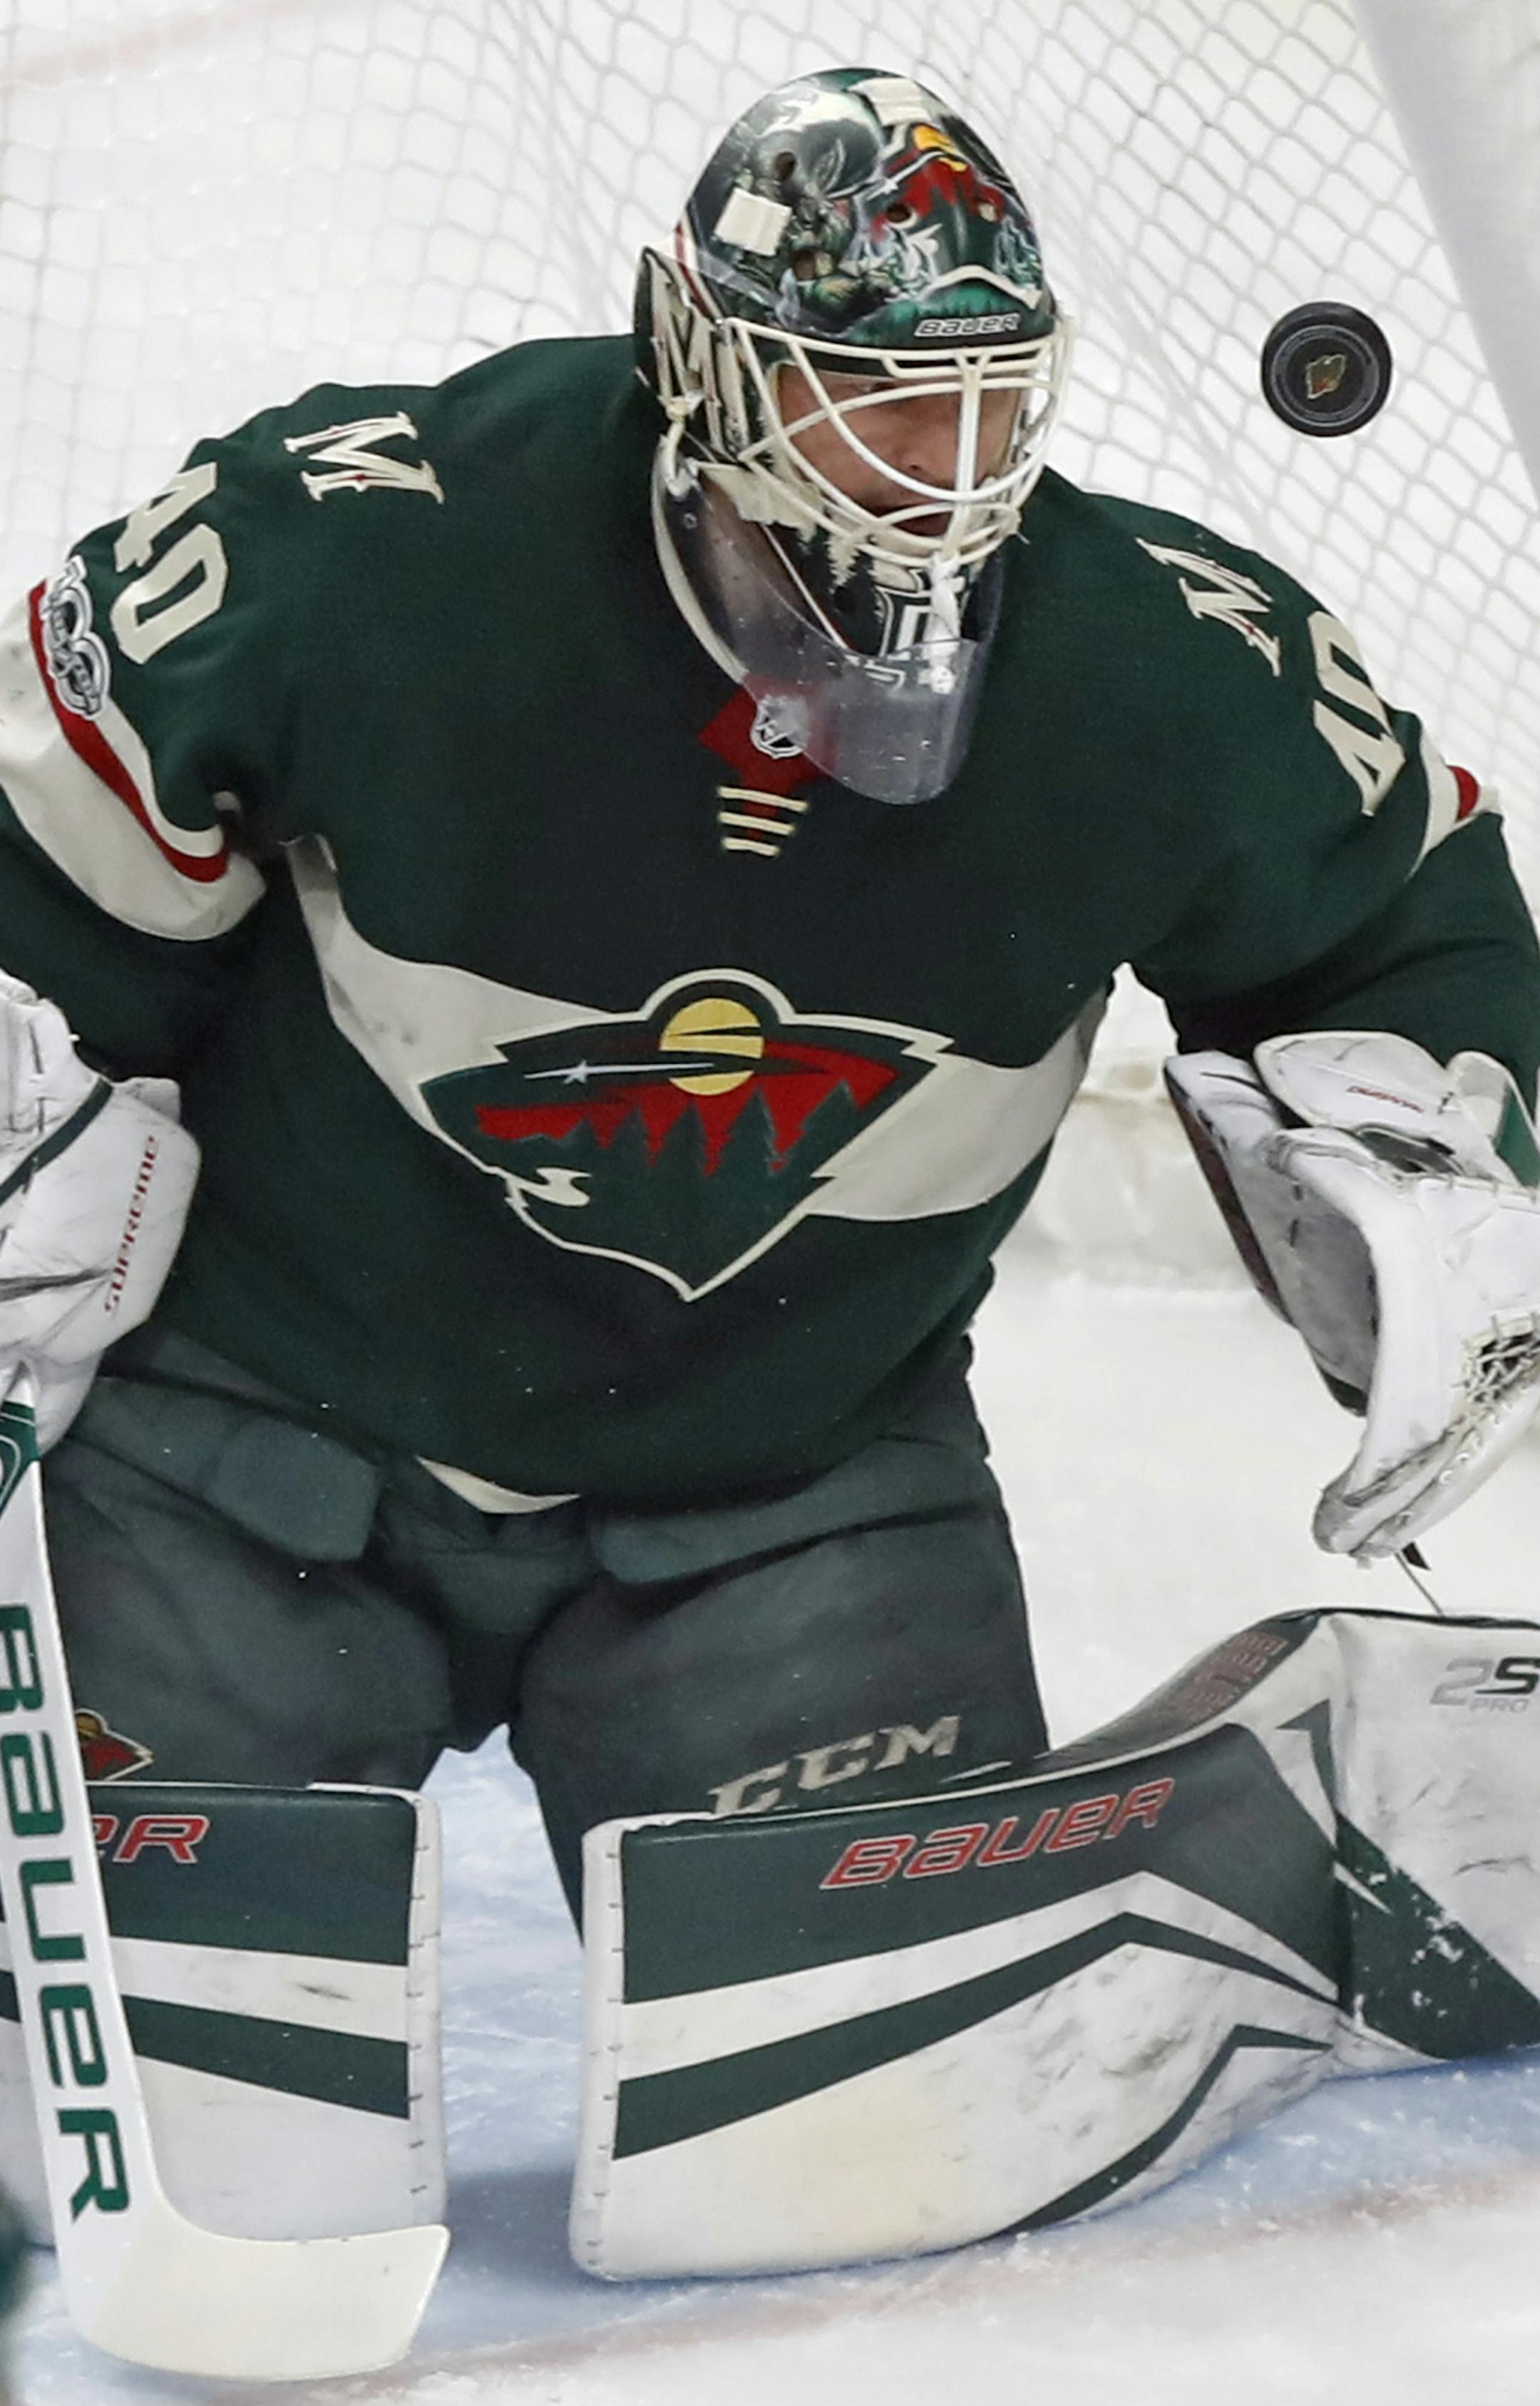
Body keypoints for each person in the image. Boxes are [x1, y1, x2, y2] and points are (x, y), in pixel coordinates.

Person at [0, 64, 1536, 1928]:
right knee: (145, 2007)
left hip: (791, 1498)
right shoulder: (368, 547)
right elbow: (49, 829)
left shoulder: (1161, 664)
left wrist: (1458, 1144)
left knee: (862, 2089)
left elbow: (1403, 905)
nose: (940, 469)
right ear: (698, 354)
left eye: (983, 400)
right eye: (868, 389)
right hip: (260, 1446)